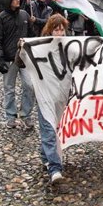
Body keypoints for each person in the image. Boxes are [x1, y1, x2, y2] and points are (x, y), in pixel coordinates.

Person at [0, 0, 36, 129]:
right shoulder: (1, 18)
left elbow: (32, 35)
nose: (17, 0)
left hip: (24, 58)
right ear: (8, 0)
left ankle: (25, 115)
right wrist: (0, 59)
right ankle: (11, 116)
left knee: (30, 86)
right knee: (9, 88)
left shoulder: (24, 15)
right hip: (9, 59)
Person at [36, 13, 70, 184]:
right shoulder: (38, 47)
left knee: (53, 127)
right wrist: (22, 50)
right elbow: (21, 62)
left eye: (62, 30)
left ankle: (45, 155)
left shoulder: (70, 47)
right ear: (50, 30)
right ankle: (54, 168)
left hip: (60, 95)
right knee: (49, 128)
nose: (59, 33)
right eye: (56, 30)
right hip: (44, 95)